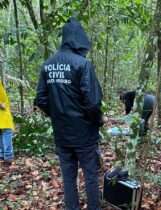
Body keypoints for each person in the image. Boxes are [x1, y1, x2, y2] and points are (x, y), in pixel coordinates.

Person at [35, 17, 103, 210]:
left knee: (68, 179)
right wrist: (96, 121)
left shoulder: (48, 65)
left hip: (62, 134)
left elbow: (41, 99)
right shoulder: (83, 64)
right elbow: (93, 102)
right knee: (90, 176)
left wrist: (57, 115)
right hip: (84, 135)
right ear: (80, 38)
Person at [0, 81, 15, 167]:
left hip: (3, 115)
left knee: (2, 134)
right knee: (6, 133)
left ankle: (2, 156)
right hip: (3, 115)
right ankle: (8, 157)